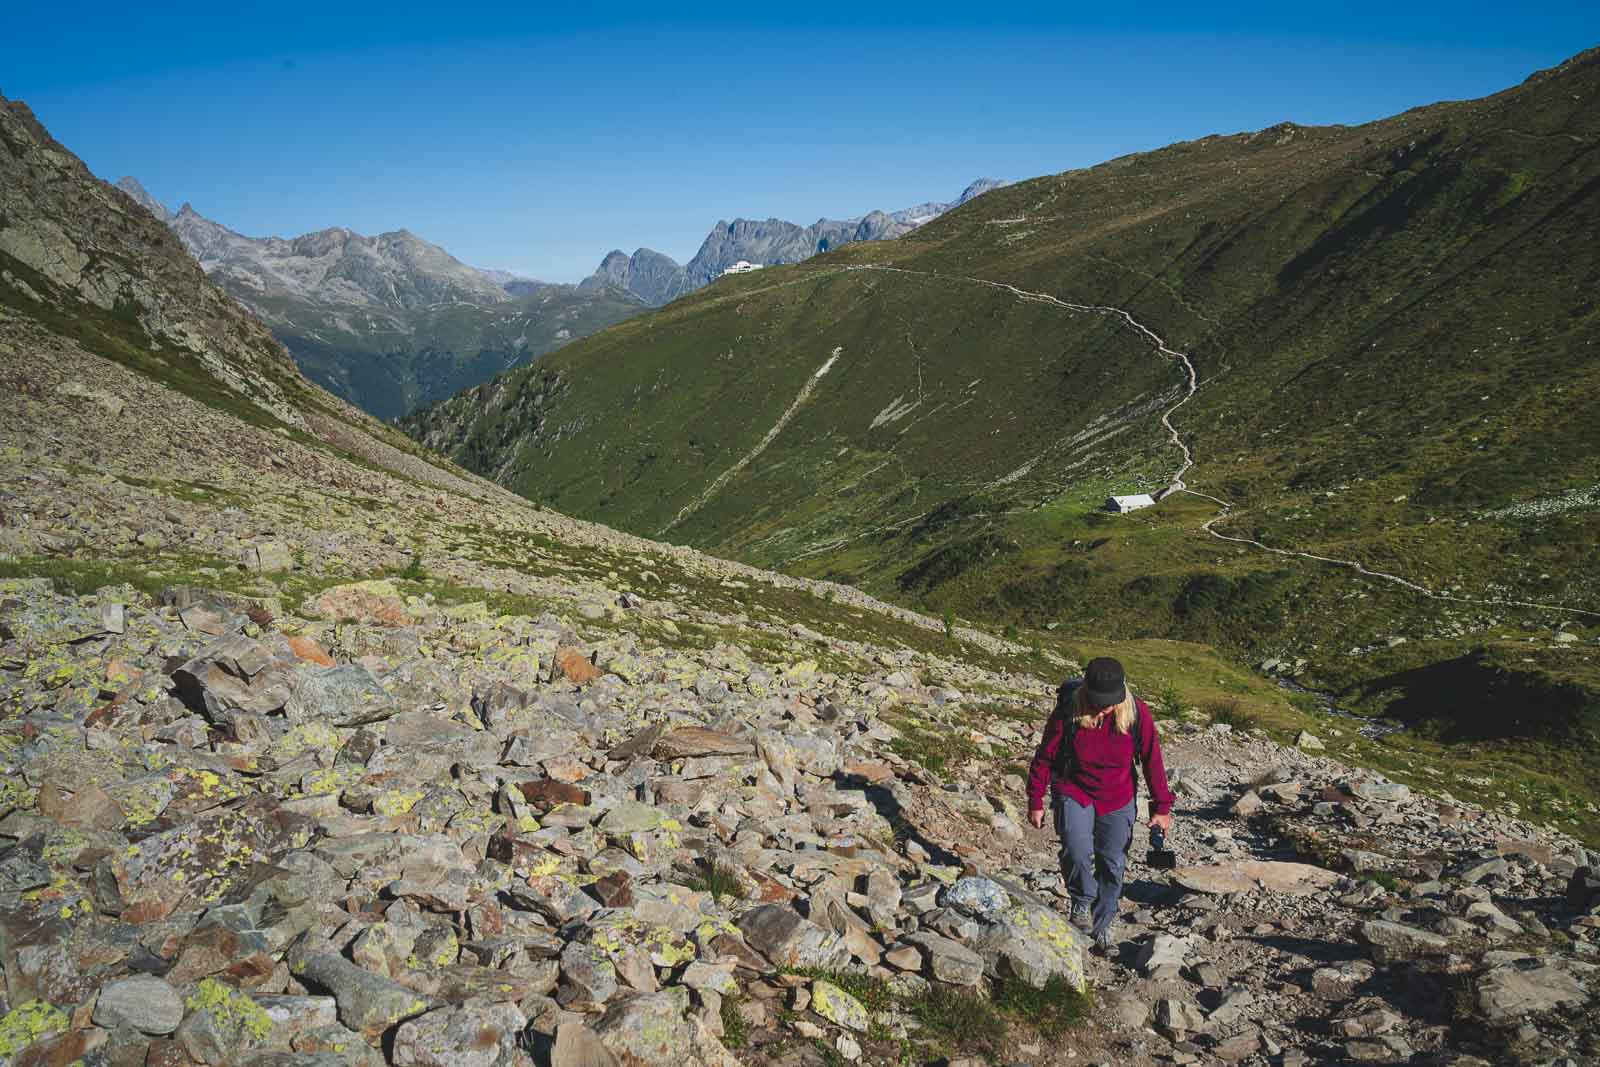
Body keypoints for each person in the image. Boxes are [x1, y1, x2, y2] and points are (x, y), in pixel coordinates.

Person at [1026, 656, 1174, 954]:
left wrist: (1162, 808)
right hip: (1074, 789)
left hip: (1118, 796)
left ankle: (1103, 923)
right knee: (1076, 849)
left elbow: (1151, 760)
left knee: (1113, 861)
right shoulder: (1069, 709)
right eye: (1099, 701)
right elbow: (1045, 756)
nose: (1105, 706)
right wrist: (1036, 800)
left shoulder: (1137, 713)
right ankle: (1081, 901)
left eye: (1110, 701)